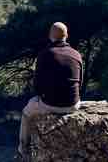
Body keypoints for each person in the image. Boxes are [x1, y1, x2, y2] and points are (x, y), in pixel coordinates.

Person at [18, 22, 83, 156]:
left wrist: (43, 96)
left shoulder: (44, 54)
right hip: (73, 105)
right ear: (67, 35)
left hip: (50, 104)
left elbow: (37, 86)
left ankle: (23, 149)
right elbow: (79, 83)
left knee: (26, 113)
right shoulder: (77, 55)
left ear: (50, 36)